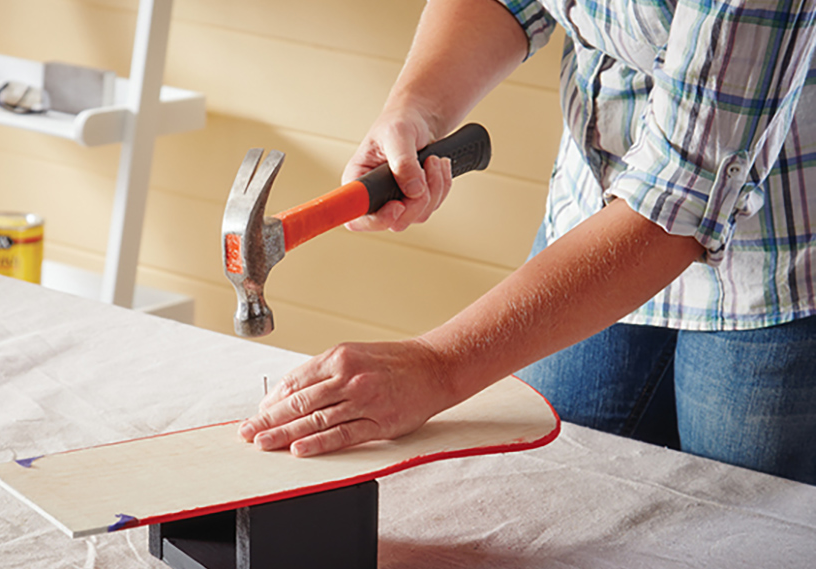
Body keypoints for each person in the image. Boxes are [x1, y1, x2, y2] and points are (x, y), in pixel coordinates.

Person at [238, 0, 816, 485]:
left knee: (749, 538)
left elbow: (686, 189)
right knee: (549, 489)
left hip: (776, 260)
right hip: (589, 216)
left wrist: (439, 366)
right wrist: (416, 108)